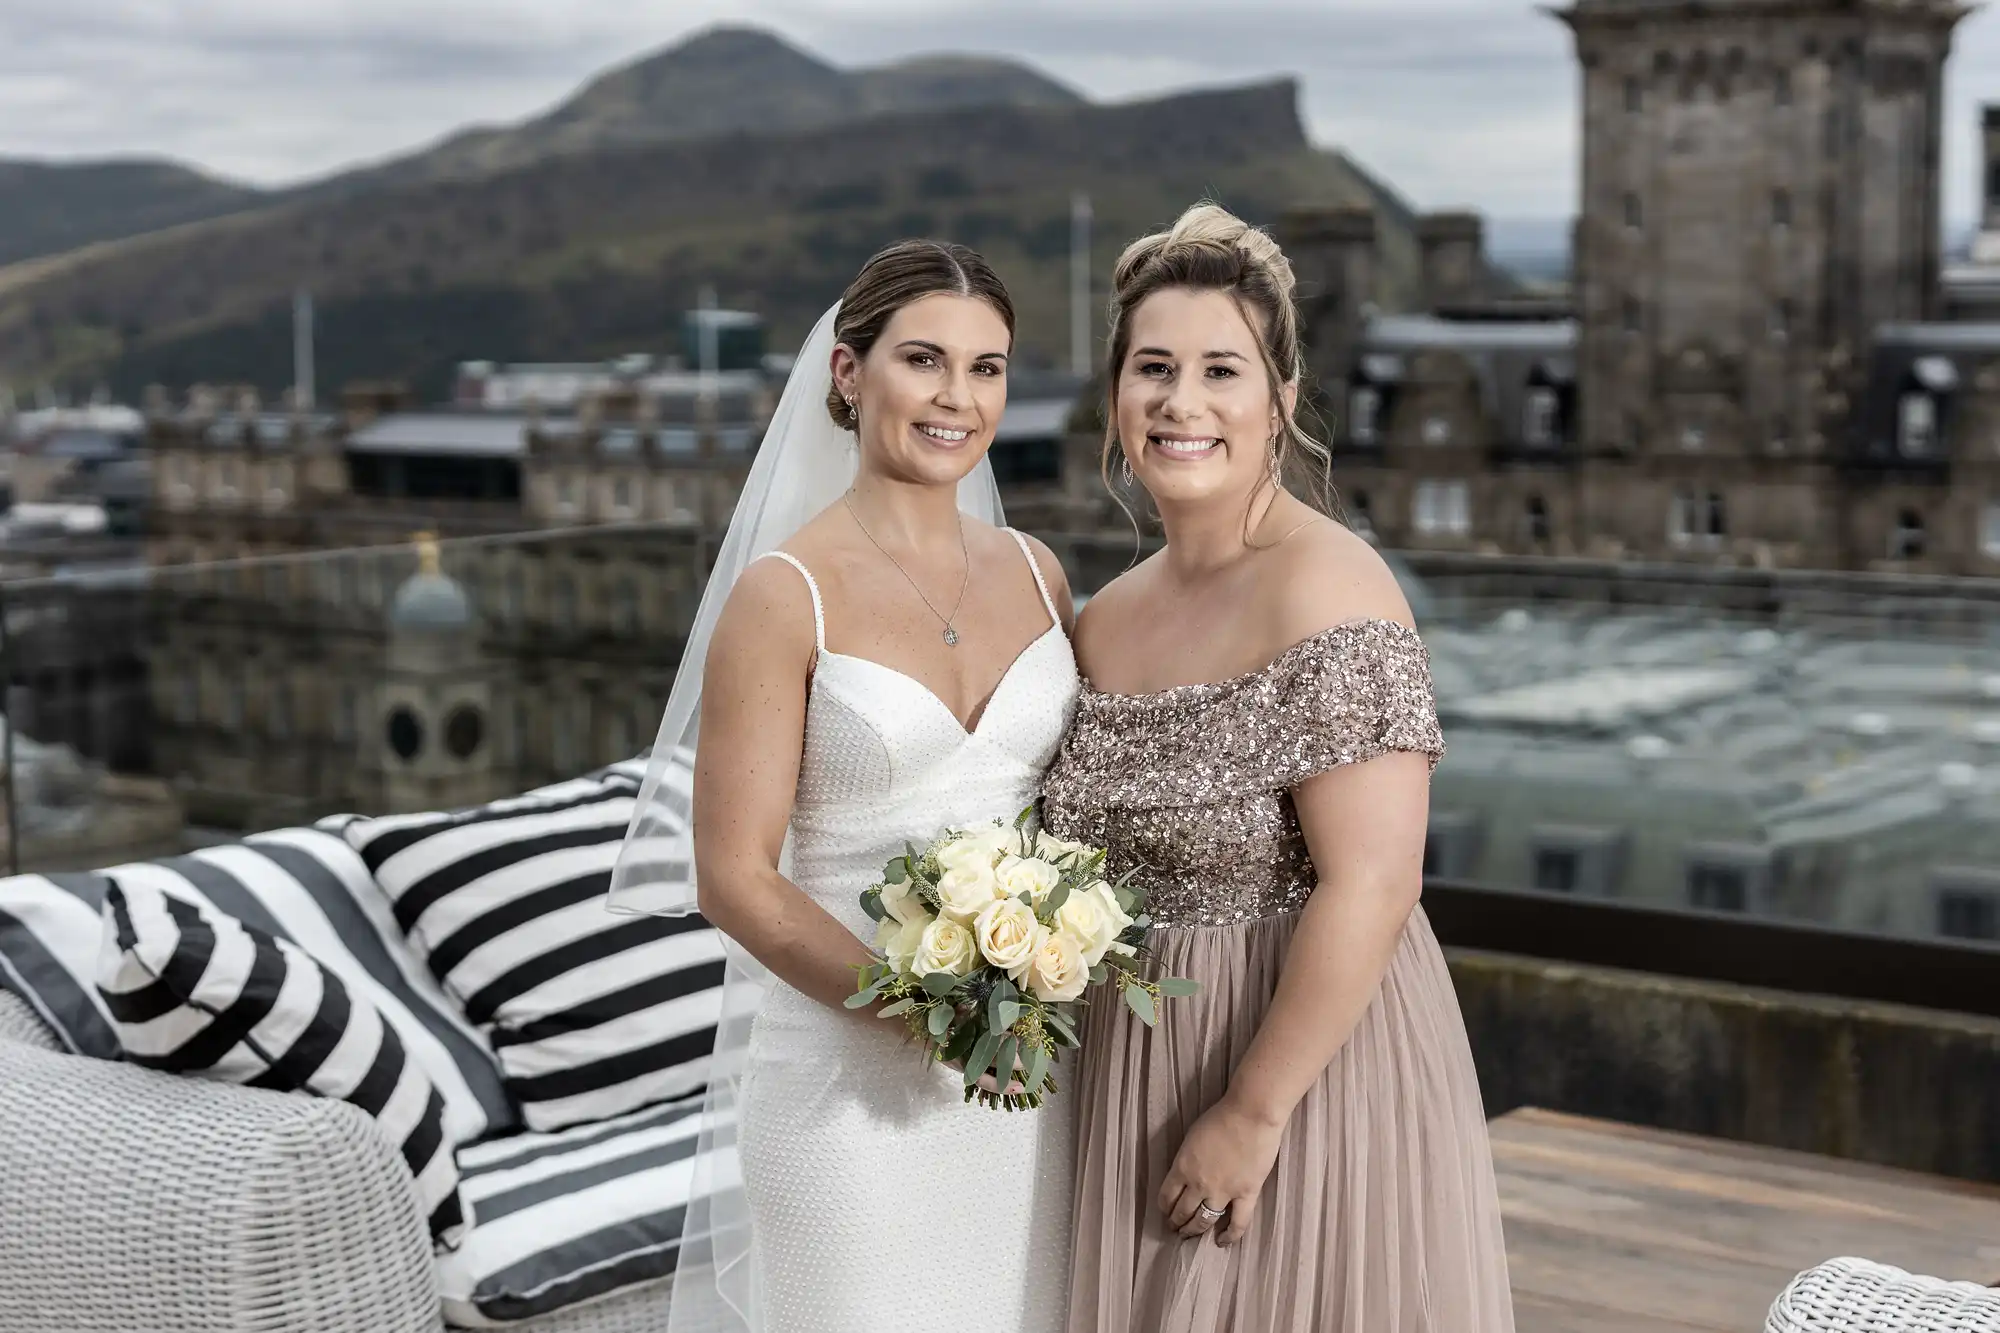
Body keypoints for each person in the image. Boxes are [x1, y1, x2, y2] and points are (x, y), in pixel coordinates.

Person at [1042, 203, 1515, 1333]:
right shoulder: (1099, 619)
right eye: (1152, 368)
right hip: (1124, 1069)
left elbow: (1374, 881)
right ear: (1116, 395)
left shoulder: (1330, 586)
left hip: (1294, 1069)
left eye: (1220, 370)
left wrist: (1250, 1111)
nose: (1180, 401)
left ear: (1280, 400)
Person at [610, 239, 1080, 1333]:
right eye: (923, 359)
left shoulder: (1039, 572)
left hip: (1026, 1090)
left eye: (987, 367)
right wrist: (927, 1013)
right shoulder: (784, 596)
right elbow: (733, 877)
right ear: (846, 372)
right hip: (845, 1092)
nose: (956, 397)